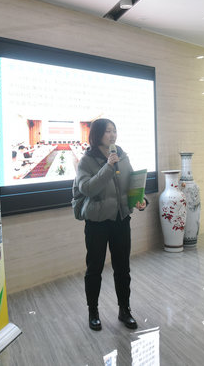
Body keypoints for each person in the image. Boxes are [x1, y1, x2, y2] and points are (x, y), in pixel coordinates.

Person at [74, 118, 147, 331]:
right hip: (97, 222)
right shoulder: (86, 161)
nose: (113, 135)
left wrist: (141, 199)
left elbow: (131, 184)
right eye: (108, 131)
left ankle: (125, 310)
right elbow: (87, 188)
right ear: (97, 134)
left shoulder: (122, 156)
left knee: (122, 268)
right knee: (94, 269)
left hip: (120, 220)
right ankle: (93, 312)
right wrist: (108, 166)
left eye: (114, 130)